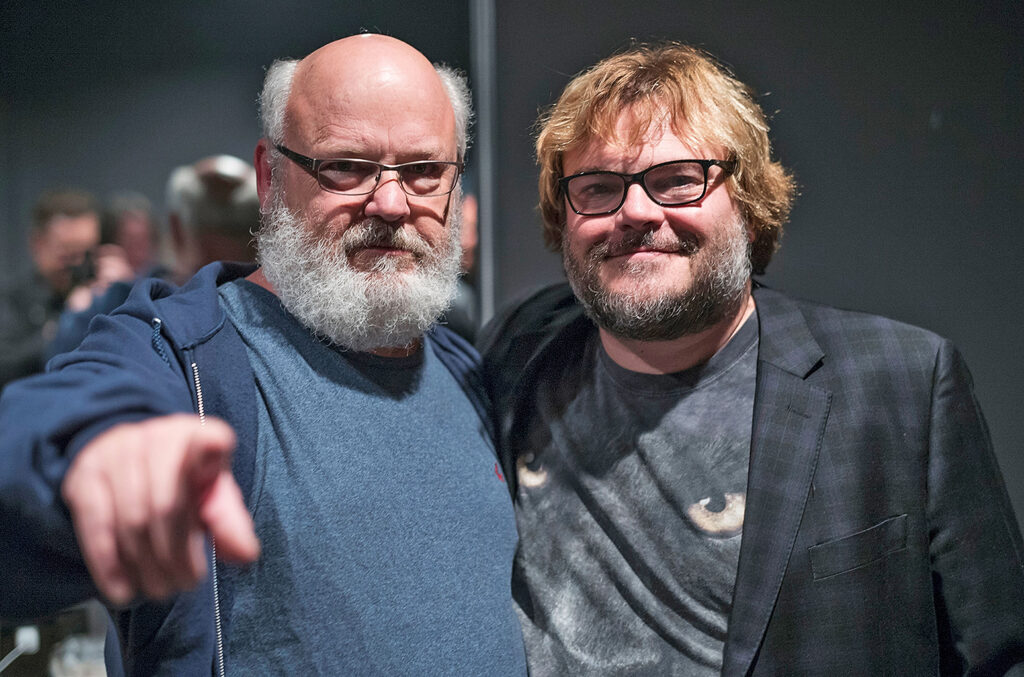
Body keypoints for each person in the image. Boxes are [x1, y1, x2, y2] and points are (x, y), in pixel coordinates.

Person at [479, 42, 1024, 676]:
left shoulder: (902, 385)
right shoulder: (518, 351)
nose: (635, 212)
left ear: (748, 199)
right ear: (563, 215)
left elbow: (1001, 658)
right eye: (598, 188)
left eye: (678, 179)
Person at [0, 35, 526, 676]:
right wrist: (82, 463)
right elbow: (38, 443)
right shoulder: (181, 356)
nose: (391, 203)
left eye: (423, 170)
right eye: (347, 166)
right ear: (270, 179)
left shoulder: (469, 372)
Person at [46, 155, 260, 358]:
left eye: (235, 229)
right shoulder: (119, 300)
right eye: (208, 225)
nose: (221, 244)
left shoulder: (263, 309)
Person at [0, 189, 101, 391]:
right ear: (37, 243)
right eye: (67, 252)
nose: (78, 263)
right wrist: (68, 322)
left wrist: (125, 293)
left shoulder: (105, 294)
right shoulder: (11, 301)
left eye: (87, 252)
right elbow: (6, 368)